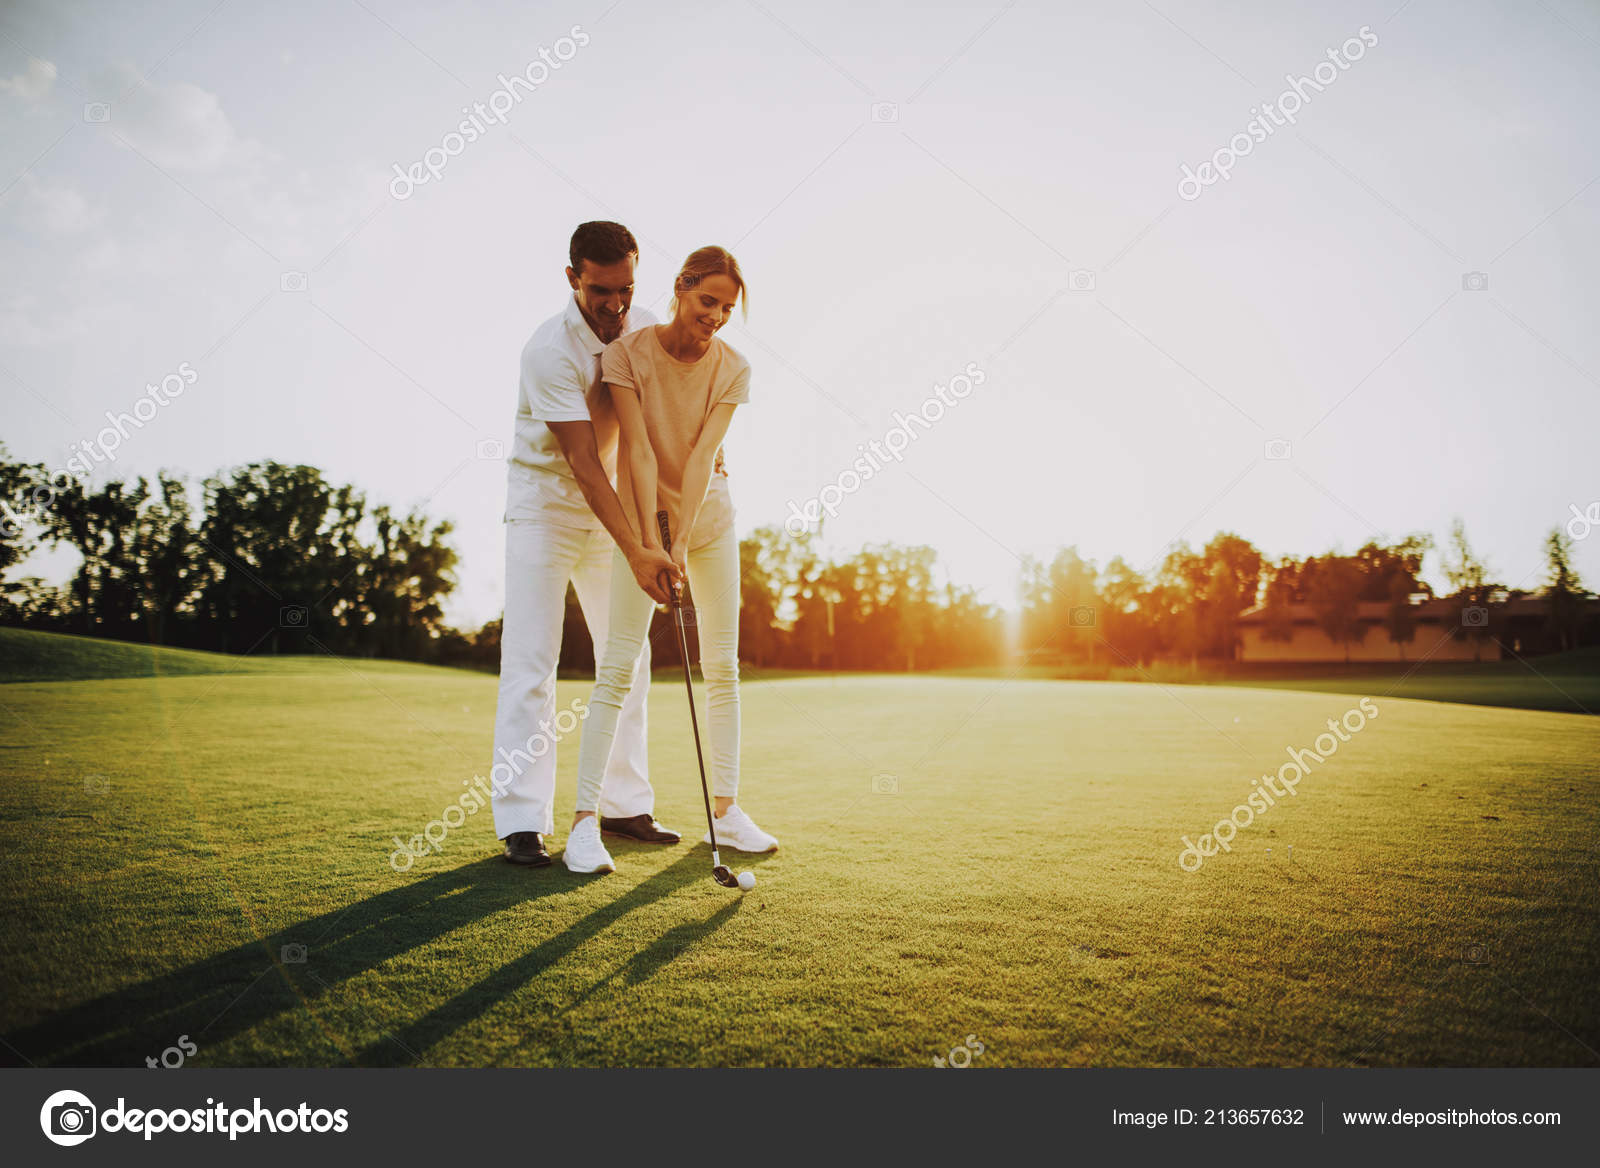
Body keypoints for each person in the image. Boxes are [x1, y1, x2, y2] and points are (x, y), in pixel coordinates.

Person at [562, 245, 777, 875]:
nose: (716, 315)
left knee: (724, 666)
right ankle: (581, 825)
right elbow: (640, 453)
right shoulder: (627, 355)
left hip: (710, 524)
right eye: (708, 300)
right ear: (680, 288)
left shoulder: (733, 368)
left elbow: (704, 458)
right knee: (617, 668)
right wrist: (652, 548)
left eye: (727, 307)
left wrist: (680, 544)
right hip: (641, 526)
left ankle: (727, 812)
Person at [489, 221, 686, 867]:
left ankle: (625, 805)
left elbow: (658, 420)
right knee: (532, 665)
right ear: (573, 277)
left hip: (615, 514)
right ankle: (522, 820)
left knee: (626, 661)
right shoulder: (548, 351)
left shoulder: (643, 324)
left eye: (626, 288)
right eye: (602, 291)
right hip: (544, 509)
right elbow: (581, 461)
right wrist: (636, 548)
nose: (616, 305)